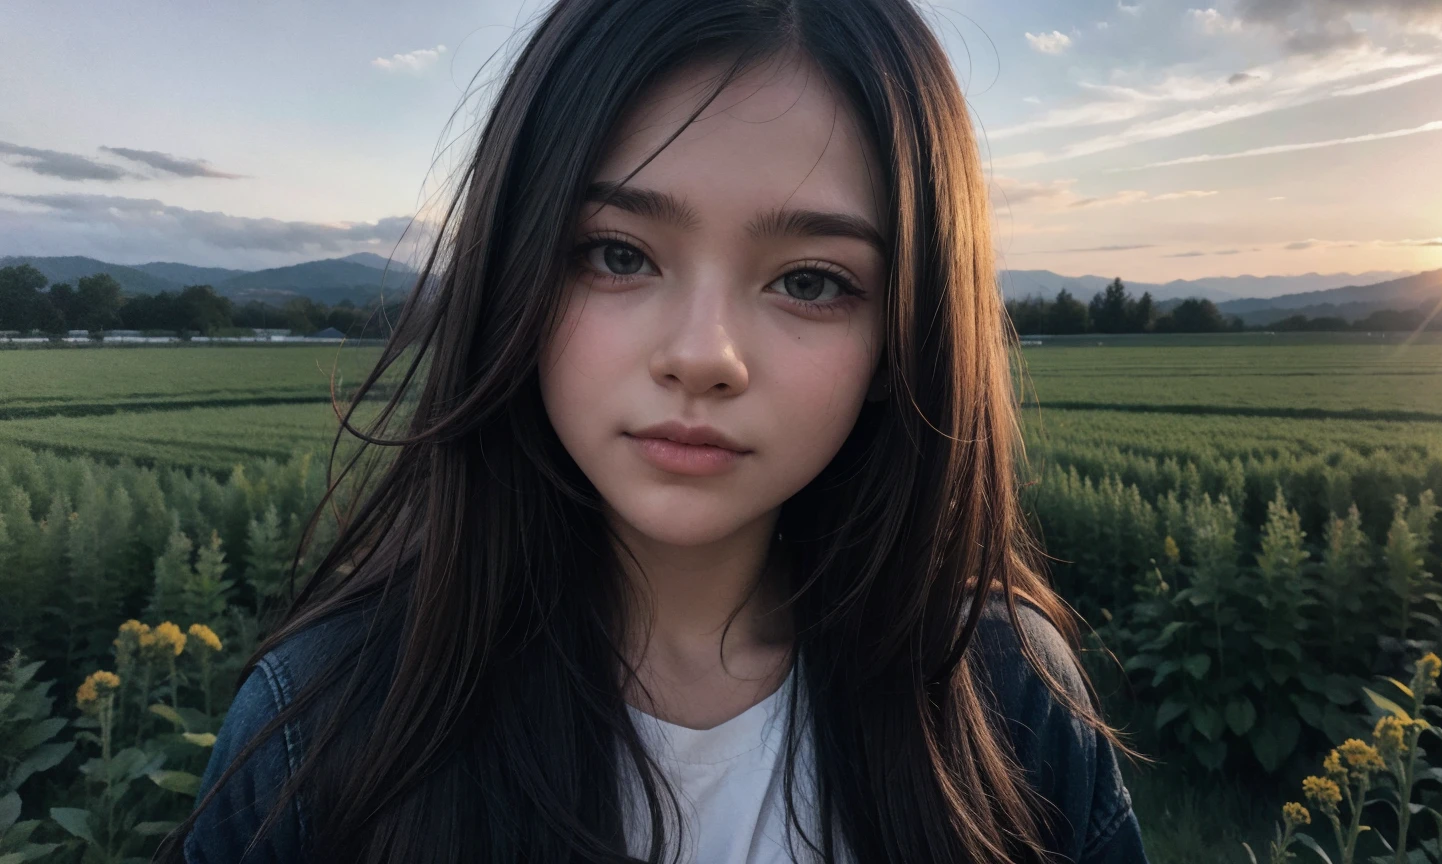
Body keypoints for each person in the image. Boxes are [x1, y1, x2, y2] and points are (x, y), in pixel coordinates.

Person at [160, 0, 1149, 861]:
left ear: (902, 336)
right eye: (618, 254)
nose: (703, 353)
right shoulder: (326, 724)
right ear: (515, 275)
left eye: (811, 281)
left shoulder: (1004, 696)